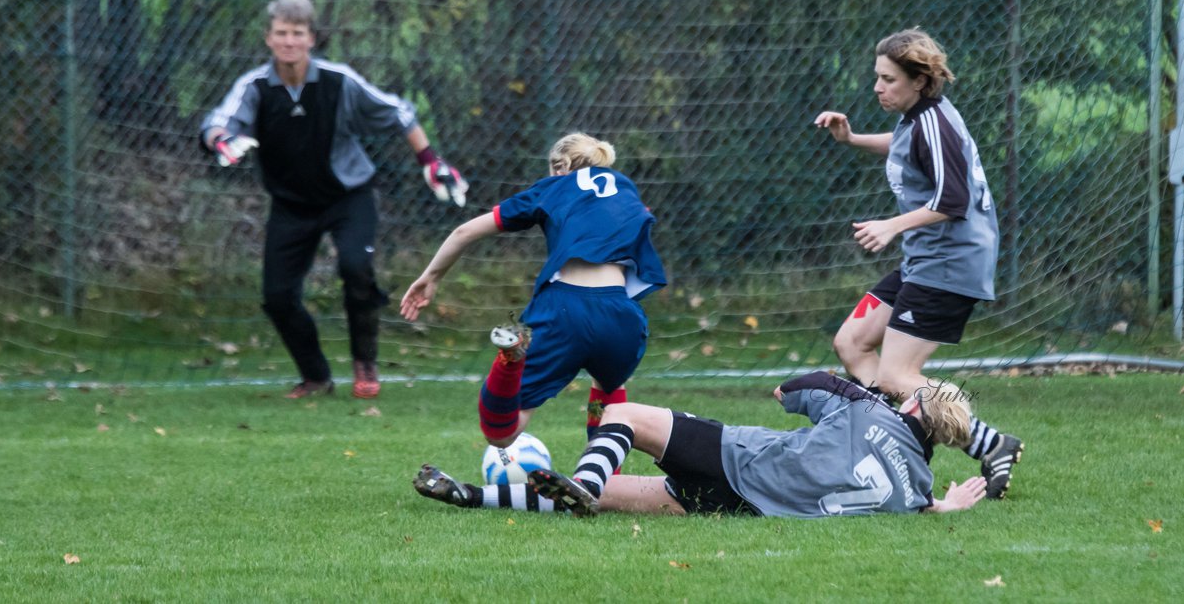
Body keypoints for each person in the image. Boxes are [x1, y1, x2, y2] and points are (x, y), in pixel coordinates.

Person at [199, 0, 467, 400]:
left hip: (348, 198)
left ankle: (365, 361)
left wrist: (431, 160)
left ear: (311, 38)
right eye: (281, 33)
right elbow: (219, 122)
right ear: (268, 39)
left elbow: (399, 112)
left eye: (297, 33)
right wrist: (221, 141)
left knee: (356, 267)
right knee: (277, 296)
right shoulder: (254, 86)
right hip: (291, 205)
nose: (289, 41)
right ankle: (316, 376)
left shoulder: (339, 80)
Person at [812, 27, 1021, 498]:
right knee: (851, 343)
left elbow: (954, 200)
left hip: (951, 265)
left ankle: (989, 443)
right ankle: (898, 440)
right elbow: (903, 145)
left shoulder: (935, 123)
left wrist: (891, 225)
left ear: (919, 82)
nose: (877, 87)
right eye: (877, 77)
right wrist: (852, 139)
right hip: (925, 259)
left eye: (888, 79)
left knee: (895, 376)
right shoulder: (918, 118)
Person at [413, 370, 987, 518]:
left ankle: (581, 484)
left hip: (741, 459)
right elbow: (925, 508)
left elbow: (793, 390)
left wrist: (855, 389)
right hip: (744, 508)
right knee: (616, 496)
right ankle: (469, 496)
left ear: (912, 404)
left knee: (622, 414)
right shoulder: (916, 489)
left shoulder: (865, 406)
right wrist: (948, 505)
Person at [399, 132, 665, 446]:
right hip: (622, 316)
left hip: (564, 309)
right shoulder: (626, 189)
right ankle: (602, 481)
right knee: (609, 395)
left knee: (502, 433)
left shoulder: (555, 186)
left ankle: (510, 360)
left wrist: (431, 277)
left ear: (560, 167)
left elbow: (464, 231)